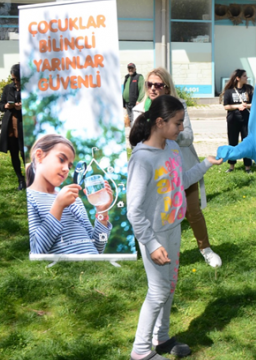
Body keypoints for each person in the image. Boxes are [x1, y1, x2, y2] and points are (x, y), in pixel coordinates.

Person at [127, 95, 223, 360]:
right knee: (157, 291)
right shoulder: (142, 160)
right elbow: (133, 210)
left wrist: (205, 164)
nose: (182, 128)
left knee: (169, 285)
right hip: (154, 235)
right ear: (160, 122)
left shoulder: (171, 148)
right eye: (178, 123)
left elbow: (181, 181)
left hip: (172, 228)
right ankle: (140, 351)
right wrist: (151, 243)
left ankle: (162, 337)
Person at [134, 67, 222, 268]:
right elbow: (135, 141)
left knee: (193, 211)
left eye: (158, 85)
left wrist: (165, 132)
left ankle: (205, 249)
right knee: (156, 212)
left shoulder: (179, 105)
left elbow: (188, 136)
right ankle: (156, 249)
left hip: (182, 168)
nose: (153, 89)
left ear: (167, 87)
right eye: (149, 84)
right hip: (155, 173)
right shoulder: (140, 109)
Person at [26, 134, 113, 254]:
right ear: (39, 156)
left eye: (69, 166)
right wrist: (58, 206)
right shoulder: (29, 198)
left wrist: (102, 212)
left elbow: (96, 249)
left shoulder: (74, 200)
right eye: (61, 159)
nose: (67, 169)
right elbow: (36, 251)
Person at [0, 64, 25, 190]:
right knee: (14, 154)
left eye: (17, 79)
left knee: (24, 153)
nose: (14, 82)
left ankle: (31, 179)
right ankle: (21, 180)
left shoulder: (27, 88)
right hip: (10, 126)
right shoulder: (8, 88)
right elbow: (1, 105)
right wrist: (6, 106)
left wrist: (23, 107)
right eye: (13, 79)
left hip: (22, 126)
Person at [221, 69, 253, 174]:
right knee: (233, 143)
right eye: (244, 76)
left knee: (246, 143)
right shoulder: (229, 91)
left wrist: (247, 105)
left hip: (246, 121)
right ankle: (231, 166)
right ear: (238, 78)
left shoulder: (249, 89)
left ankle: (248, 167)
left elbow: (255, 104)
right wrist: (237, 106)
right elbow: (226, 106)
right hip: (233, 121)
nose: (246, 77)